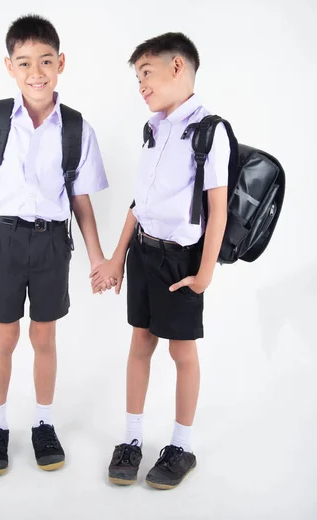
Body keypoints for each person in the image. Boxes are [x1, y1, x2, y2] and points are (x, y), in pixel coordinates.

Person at [0, 14, 109, 477]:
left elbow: (80, 199)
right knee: (4, 335)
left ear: (60, 62)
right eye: (24, 63)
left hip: (50, 245)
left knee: (44, 335)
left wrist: (97, 255)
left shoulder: (77, 128)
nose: (36, 72)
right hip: (2, 239)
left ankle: (43, 423)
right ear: (9, 66)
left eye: (45, 61)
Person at [91, 32, 230, 490]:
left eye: (146, 73)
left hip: (181, 262)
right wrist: (116, 257)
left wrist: (204, 274)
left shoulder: (210, 131)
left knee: (181, 351)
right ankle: (131, 440)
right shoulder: (153, 129)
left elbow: (218, 209)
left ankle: (181, 446)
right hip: (143, 254)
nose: (141, 87)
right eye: (137, 78)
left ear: (177, 68)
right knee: (141, 343)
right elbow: (139, 203)